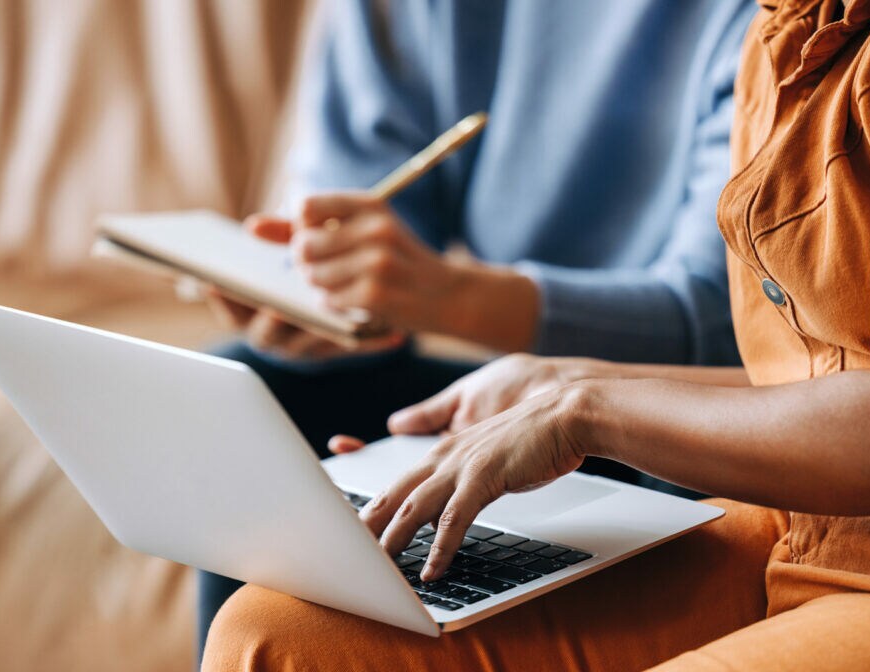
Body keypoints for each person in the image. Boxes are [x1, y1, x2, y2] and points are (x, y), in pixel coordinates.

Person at [200, 0, 870, 669]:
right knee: (279, 634)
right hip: (793, 529)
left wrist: (590, 410)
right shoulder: (788, 34)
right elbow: (814, 373)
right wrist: (553, 386)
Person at [195, 0, 759, 654]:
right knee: (258, 391)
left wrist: (450, 297)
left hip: (682, 413)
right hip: (522, 382)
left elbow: (726, 321)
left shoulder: (767, 18)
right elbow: (359, 208)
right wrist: (326, 300)